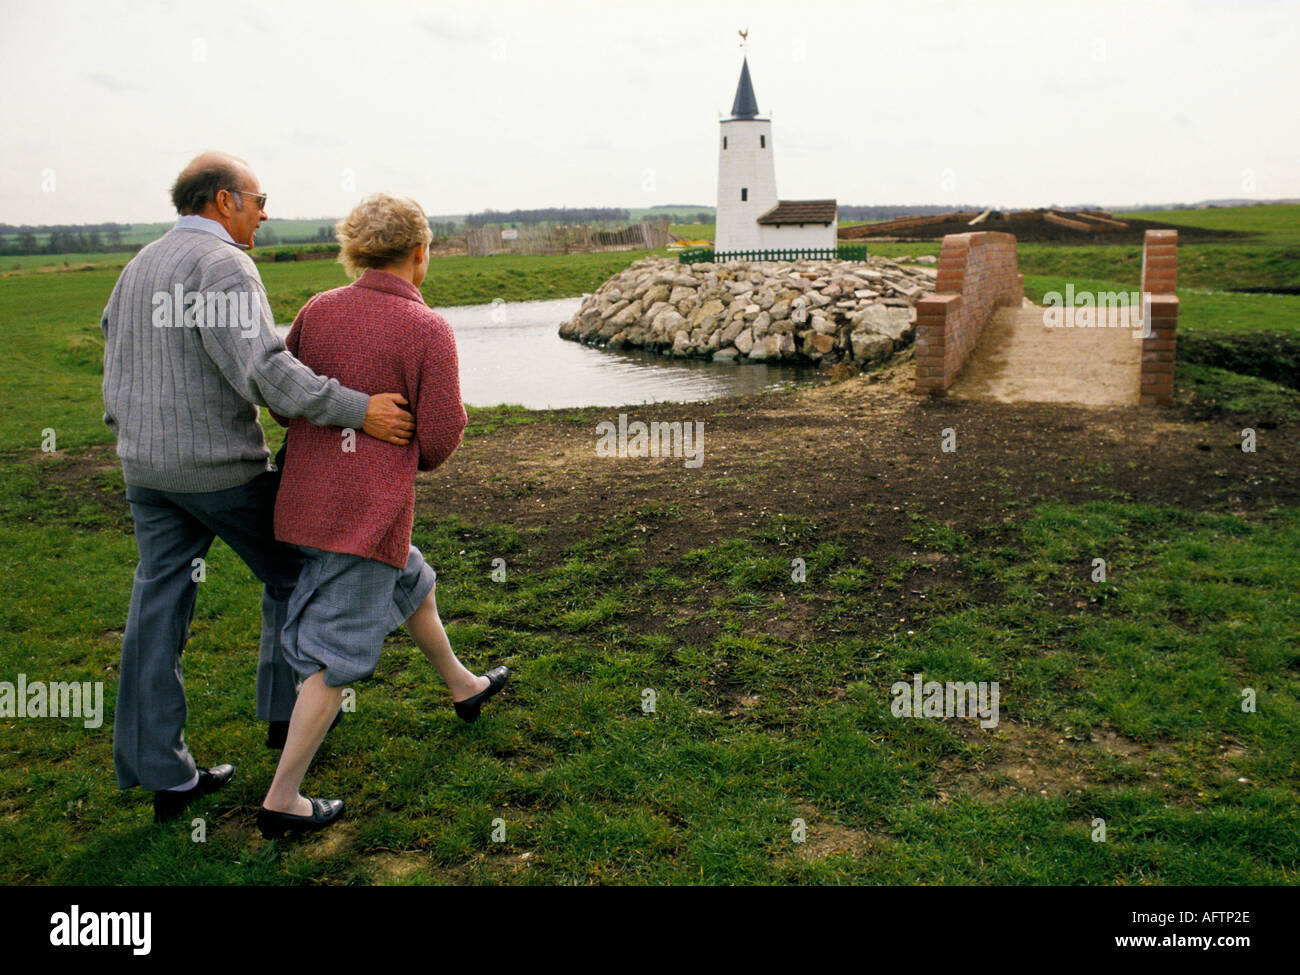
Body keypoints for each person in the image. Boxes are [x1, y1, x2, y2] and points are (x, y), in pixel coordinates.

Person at [102, 152, 416, 823]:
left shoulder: (141, 264)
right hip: (217, 469)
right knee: (298, 568)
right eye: (258, 198)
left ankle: (164, 772)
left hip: (144, 469)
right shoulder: (222, 265)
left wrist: (125, 427)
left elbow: (114, 346)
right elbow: (268, 372)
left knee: (156, 605)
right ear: (223, 200)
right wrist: (361, 409)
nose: (266, 211)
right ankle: (287, 721)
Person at [256, 193, 507, 839]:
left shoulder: (317, 309)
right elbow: (443, 434)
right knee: (336, 659)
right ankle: (283, 799)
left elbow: (285, 407)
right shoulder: (427, 329)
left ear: (354, 251)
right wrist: (404, 456)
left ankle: (464, 685)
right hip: (363, 518)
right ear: (420, 253)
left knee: (412, 581)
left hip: (305, 503)